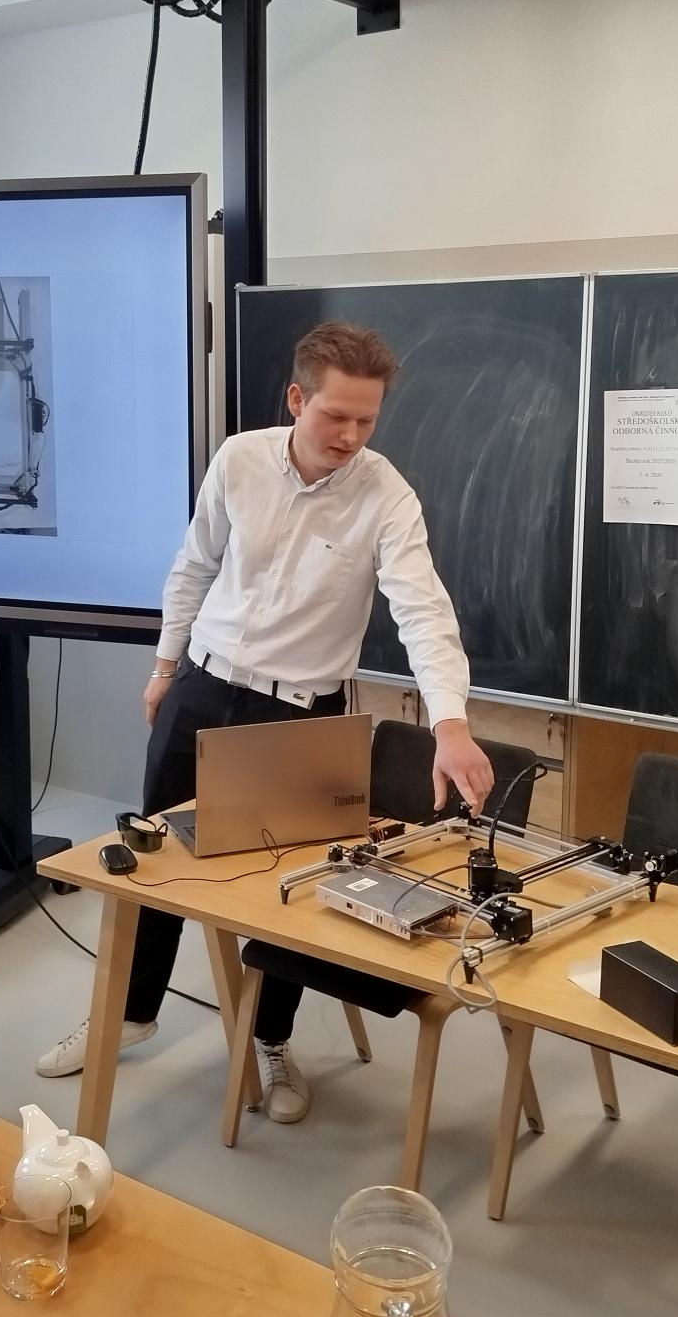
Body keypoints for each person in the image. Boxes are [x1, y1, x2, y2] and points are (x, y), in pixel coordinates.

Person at [37, 321, 494, 1120]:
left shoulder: (387, 496)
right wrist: (166, 667)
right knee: (148, 857)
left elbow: (423, 610)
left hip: (299, 716)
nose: (350, 436)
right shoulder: (239, 459)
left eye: (366, 420)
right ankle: (131, 1013)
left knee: (291, 884)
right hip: (204, 687)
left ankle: (270, 1039)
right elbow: (194, 565)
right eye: (335, 416)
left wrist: (450, 723)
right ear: (296, 399)